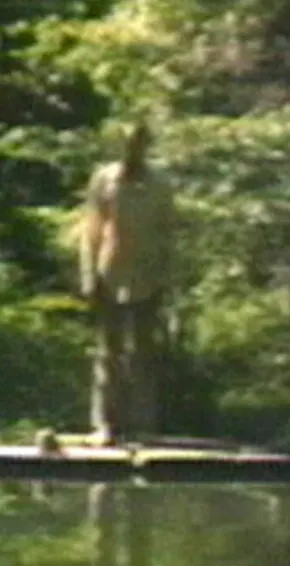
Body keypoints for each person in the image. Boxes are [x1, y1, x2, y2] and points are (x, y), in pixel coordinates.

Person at [80, 121, 177, 447]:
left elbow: (167, 233)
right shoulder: (104, 179)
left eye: (138, 143)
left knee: (144, 351)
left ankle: (143, 425)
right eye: (127, 143)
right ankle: (106, 425)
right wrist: (88, 275)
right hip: (110, 271)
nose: (132, 149)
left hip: (147, 274)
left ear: (146, 145)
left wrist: (167, 277)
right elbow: (91, 230)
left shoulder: (160, 183)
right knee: (109, 350)